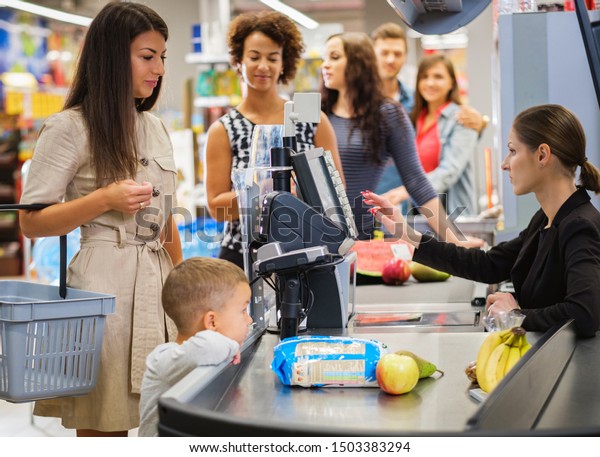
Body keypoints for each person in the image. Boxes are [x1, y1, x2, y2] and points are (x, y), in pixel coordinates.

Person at [19, 2, 182, 436]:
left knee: (164, 419)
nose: (159, 69)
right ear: (111, 57)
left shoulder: (156, 128)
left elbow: (167, 222)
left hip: (160, 284)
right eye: (147, 57)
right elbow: (32, 222)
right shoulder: (68, 128)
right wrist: (102, 199)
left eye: (162, 57)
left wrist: (186, 293)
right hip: (103, 291)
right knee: (105, 426)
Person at [364, 104, 600, 337]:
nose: (504, 163)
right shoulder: (545, 219)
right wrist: (404, 231)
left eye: (513, 151)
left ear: (542, 155)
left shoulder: (579, 226)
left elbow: (584, 313)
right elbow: (488, 265)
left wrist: (517, 315)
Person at [205, 11, 344, 270]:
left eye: (273, 57)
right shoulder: (223, 130)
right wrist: (265, 192)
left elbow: (335, 193)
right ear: (238, 61)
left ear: (284, 63)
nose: (263, 66)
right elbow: (216, 208)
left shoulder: (313, 121)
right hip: (242, 256)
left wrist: (299, 192)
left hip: (307, 253)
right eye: (254, 57)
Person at [320, 32, 462, 243]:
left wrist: (456, 243)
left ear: (358, 63)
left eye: (334, 57)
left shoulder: (388, 114)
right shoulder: (318, 114)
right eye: (325, 58)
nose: (325, 65)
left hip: (364, 238)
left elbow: (417, 182)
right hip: (315, 236)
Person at [370, 22, 488, 200]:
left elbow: (450, 164)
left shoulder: (413, 104)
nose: (390, 59)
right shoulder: (361, 104)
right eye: (384, 53)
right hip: (378, 198)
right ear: (372, 55)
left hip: (417, 204)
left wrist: (482, 122)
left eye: (397, 53)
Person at [139, 257, 252, 437]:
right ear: (211, 321)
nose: (249, 320)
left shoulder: (208, 353)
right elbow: (208, 347)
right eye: (243, 311)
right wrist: (232, 345)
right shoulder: (163, 358)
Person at [384, 54, 479, 215]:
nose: (430, 83)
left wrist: (409, 189)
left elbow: (449, 171)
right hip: (417, 216)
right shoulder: (413, 119)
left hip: (451, 216)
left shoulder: (462, 119)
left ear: (451, 83)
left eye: (438, 77)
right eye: (424, 77)